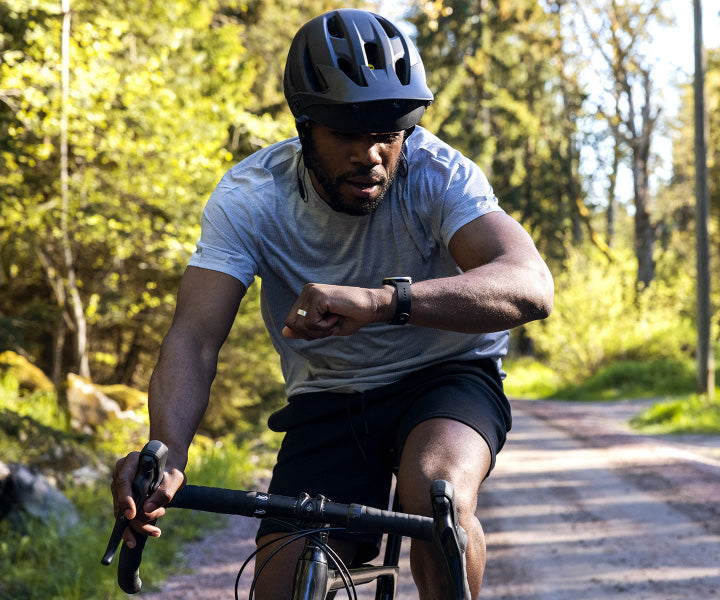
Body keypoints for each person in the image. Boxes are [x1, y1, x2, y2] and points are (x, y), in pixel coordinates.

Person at [111, 8, 553, 599]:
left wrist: (381, 302)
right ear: (304, 127)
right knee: (282, 580)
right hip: (330, 395)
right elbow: (194, 337)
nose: (371, 154)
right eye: (346, 134)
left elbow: (530, 285)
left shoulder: (439, 174)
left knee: (437, 491)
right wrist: (166, 453)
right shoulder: (251, 196)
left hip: (448, 375)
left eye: (388, 133)